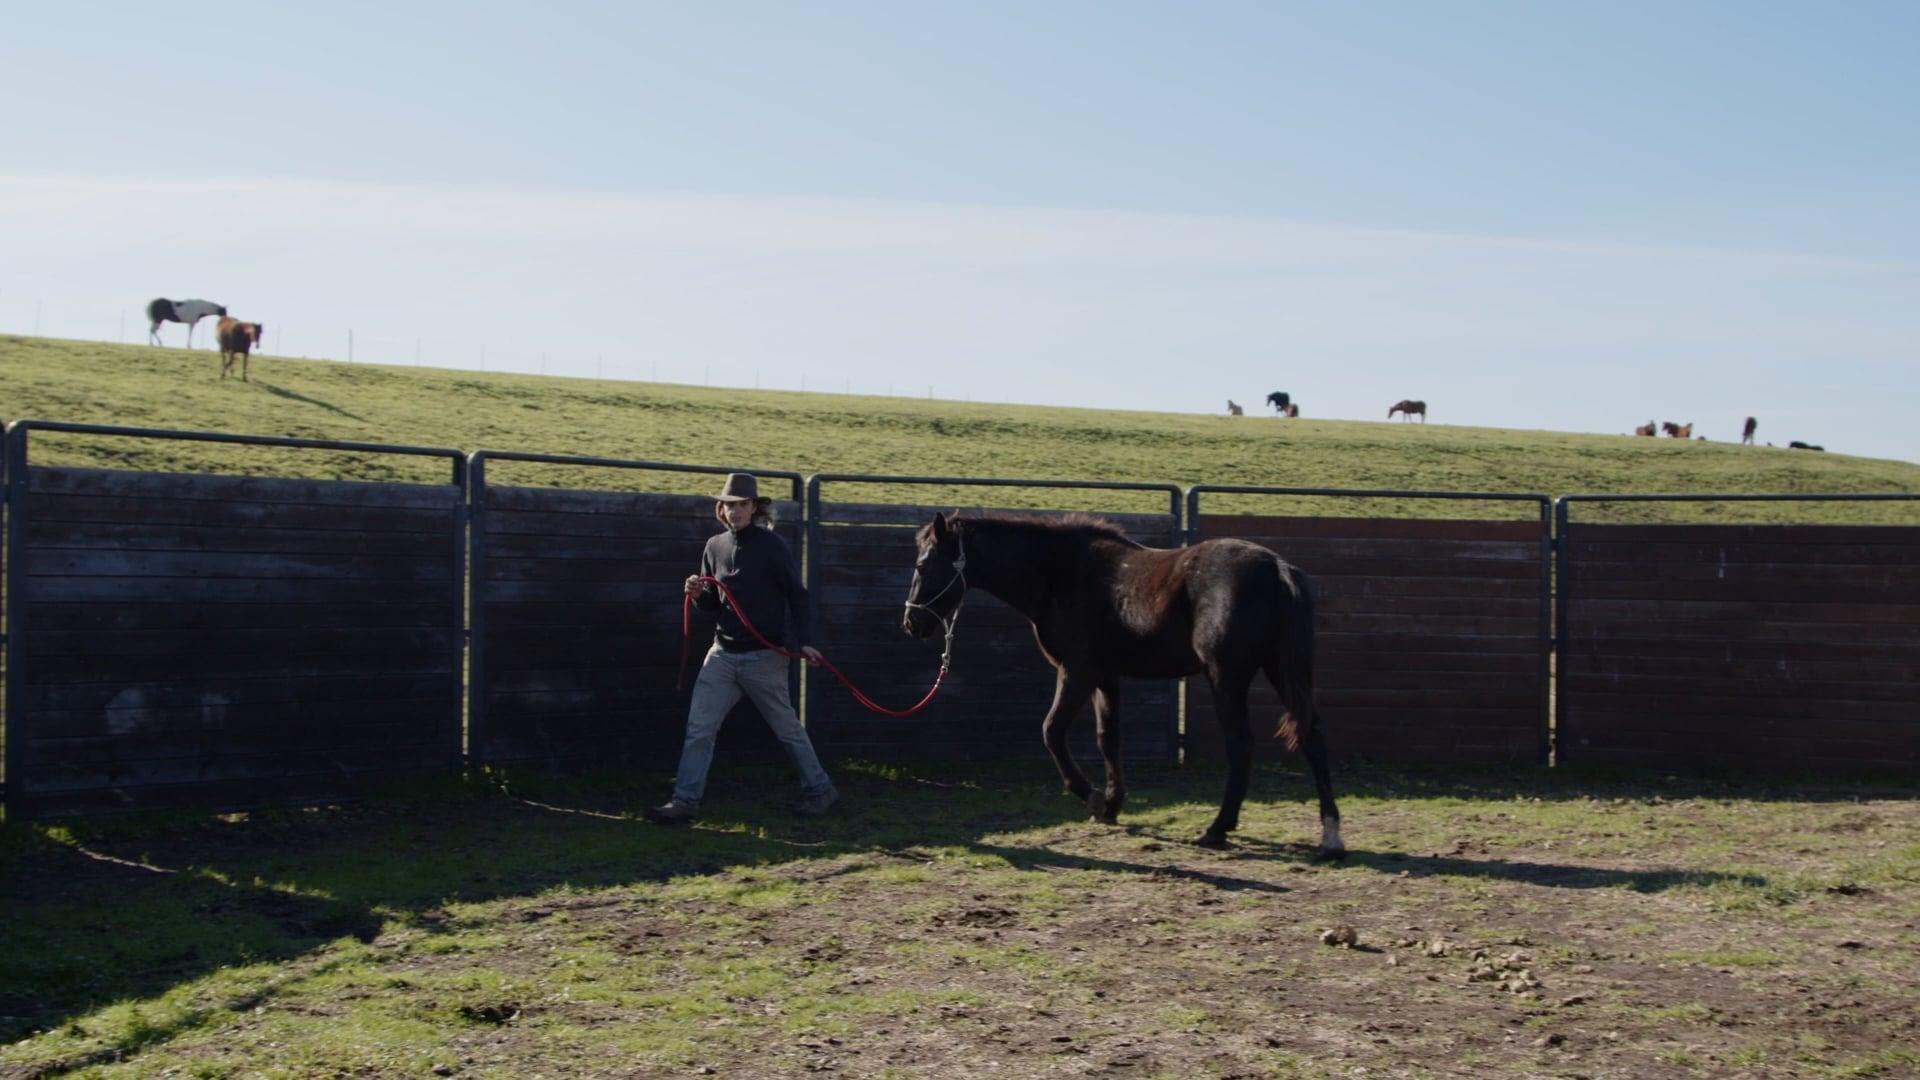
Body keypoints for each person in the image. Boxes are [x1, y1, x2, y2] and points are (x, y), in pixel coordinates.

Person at [643, 473, 838, 824]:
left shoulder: (772, 547)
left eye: (742, 505)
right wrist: (698, 595)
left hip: (764, 658)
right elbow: (713, 605)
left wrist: (807, 641)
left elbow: (798, 596)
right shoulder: (714, 546)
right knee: (699, 729)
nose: (735, 511)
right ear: (721, 509)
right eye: (729, 505)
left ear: (754, 508)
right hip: (722, 655)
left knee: (787, 729)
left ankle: (820, 789)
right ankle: (684, 801)